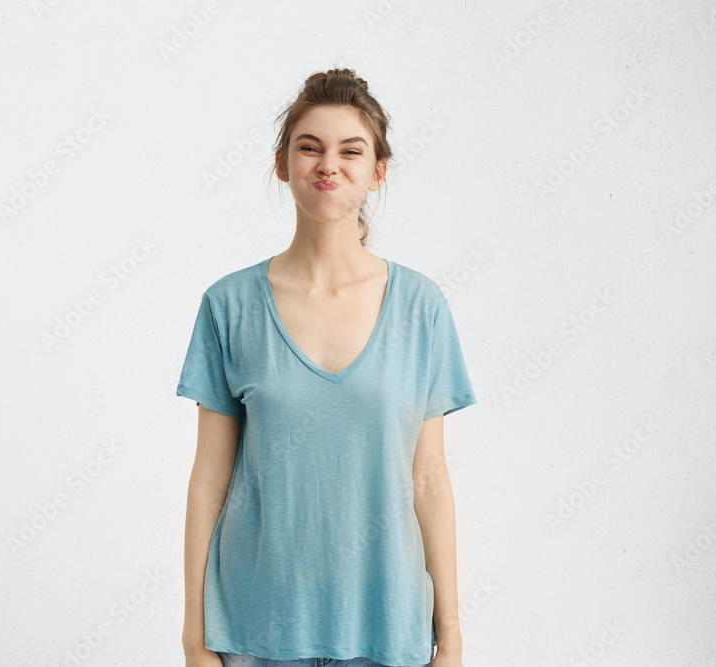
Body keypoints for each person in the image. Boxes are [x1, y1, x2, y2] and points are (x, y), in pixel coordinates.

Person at [178, 68, 477, 667]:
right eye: (309, 147)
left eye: (351, 150)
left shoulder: (421, 308)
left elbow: (430, 479)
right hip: (254, 632)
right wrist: (194, 636)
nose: (328, 165)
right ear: (284, 164)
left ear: (378, 171)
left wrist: (452, 634)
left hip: (389, 633)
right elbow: (209, 480)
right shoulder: (228, 306)